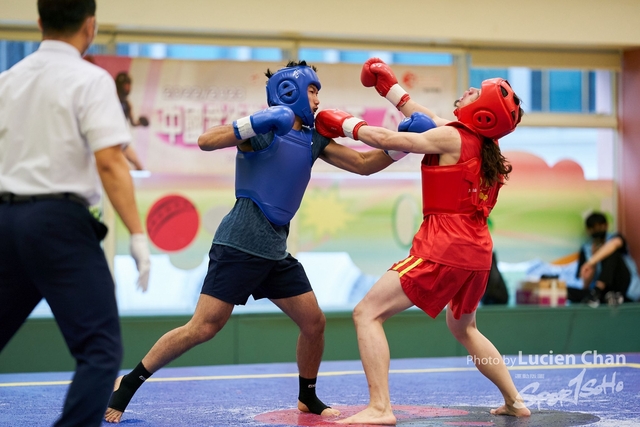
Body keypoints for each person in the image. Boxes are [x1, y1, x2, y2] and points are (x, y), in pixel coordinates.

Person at [104, 60, 397, 423]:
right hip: (240, 244)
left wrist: (403, 147)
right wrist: (255, 121)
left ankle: (307, 396)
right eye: (312, 89)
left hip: (275, 250)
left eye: (319, 90)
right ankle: (128, 384)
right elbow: (206, 141)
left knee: (314, 323)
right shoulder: (264, 130)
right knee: (203, 328)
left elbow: (364, 164)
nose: (318, 98)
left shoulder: (313, 138)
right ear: (290, 91)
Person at [314, 57, 531, 424]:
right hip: (477, 253)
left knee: (367, 313)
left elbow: (388, 139)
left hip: (443, 247)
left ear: (482, 113)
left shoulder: (450, 137)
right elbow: (426, 116)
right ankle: (514, 400)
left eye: (474, 92)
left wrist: (347, 123)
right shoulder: (483, 148)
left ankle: (380, 408)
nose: (466, 92)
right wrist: (391, 88)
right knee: (464, 327)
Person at [0, 1, 151, 426]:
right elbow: (109, 162)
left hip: (6, 222)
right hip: (58, 226)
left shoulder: (7, 79)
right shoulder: (90, 79)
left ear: (38, 23)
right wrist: (138, 236)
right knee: (100, 351)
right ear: (91, 25)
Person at [568, 211, 640, 306]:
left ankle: (597, 292)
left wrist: (592, 261)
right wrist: (592, 266)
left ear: (606, 226)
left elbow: (613, 245)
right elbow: (585, 284)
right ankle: (598, 295)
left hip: (626, 288)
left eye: (600, 226)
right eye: (594, 228)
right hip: (605, 292)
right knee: (567, 291)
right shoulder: (586, 248)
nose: (598, 230)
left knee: (610, 252)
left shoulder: (614, 238)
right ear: (589, 230)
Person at [115, 71, 147, 170]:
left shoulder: (127, 104)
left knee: (138, 166)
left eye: (129, 85)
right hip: (112, 141)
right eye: (126, 85)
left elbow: (133, 122)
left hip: (122, 140)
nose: (128, 88)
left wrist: (140, 122)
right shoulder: (111, 100)